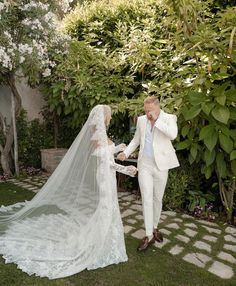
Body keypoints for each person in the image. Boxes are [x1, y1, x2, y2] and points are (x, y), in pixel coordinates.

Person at [0, 105, 137, 279]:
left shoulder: (100, 134)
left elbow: (106, 153)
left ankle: (107, 240)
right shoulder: (98, 135)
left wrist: (117, 148)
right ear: (103, 117)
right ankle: (102, 243)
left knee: (108, 207)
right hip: (104, 176)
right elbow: (106, 161)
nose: (109, 117)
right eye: (108, 115)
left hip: (106, 175)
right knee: (106, 207)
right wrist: (127, 170)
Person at [117, 96, 179, 251]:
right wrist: (125, 152)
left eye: (150, 110)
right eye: (145, 110)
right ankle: (148, 235)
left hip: (161, 166)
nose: (147, 113)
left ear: (157, 107)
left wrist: (157, 121)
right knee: (147, 199)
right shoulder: (141, 120)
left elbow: (173, 135)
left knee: (158, 199)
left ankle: (155, 227)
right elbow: (136, 140)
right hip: (144, 164)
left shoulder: (169, 118)